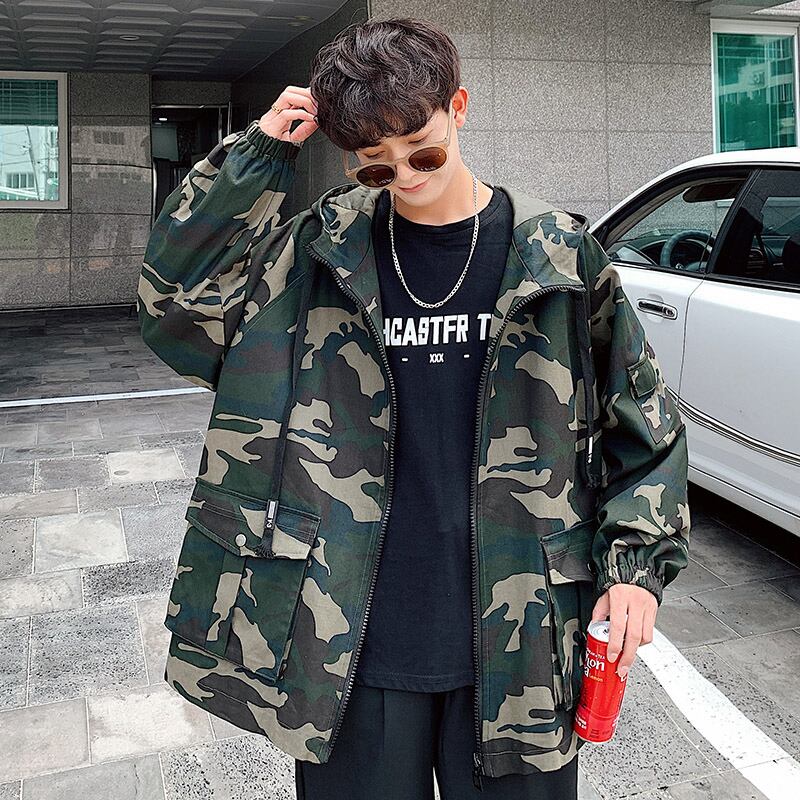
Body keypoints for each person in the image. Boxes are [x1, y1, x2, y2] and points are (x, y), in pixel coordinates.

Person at [138, 15, 690, 800]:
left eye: (422, 149)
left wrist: (634, 569)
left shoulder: (557, 255)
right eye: (375, 164)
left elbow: (644, 427)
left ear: (458, 107)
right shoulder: (316, 252)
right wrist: (255, 159)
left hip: (523, 644)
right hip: (342, 641)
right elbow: (175, 310)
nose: (405, 175)